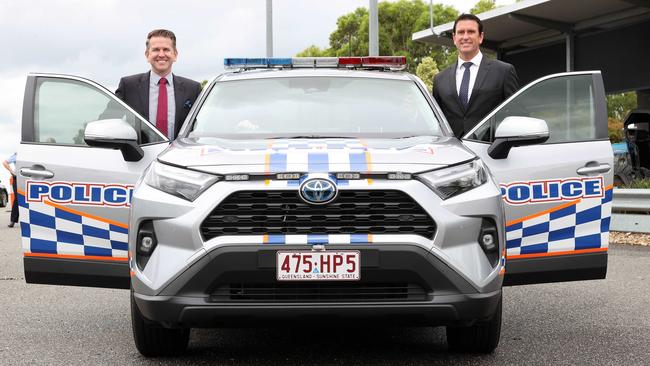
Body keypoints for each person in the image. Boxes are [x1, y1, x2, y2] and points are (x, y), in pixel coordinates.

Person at [433, 14, 519, 138]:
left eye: (471, 32)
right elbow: (436, 121)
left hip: (492, 150)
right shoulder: (440, 79)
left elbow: (516, 113)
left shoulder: (504, 71)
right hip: (453, 151)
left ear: (481, 37)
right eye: (461, 32)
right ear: (454, 37)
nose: (465, 37)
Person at [114, 29, 201, 139]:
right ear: (147, 55)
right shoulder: (128, 86)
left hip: (179, 154)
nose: (161, 54)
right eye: (155, 50)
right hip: (139, 155)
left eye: (166, 50)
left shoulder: (193, 89)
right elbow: (107, 122)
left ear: (175, 54)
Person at [3, 153, 18, 228]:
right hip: (18, 178)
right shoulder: (17, 154)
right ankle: (13, 220)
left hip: (30, 177)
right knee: (18, 199)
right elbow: (5, 162)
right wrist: (12, 172)